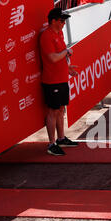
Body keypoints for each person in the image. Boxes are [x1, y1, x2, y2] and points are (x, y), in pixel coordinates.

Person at [39, 8, 79, 156]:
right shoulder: (46, 36)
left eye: (64, 21)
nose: (63, 23)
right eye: (61, 20)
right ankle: (51, 143)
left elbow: (59, 58)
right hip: (51, 81)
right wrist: (67, 52)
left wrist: (68, 68)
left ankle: (61, 138)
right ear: (53, 21)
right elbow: (53, 58)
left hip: (62, 78)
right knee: (53, 111)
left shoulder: (59, 33)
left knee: (61, 109)